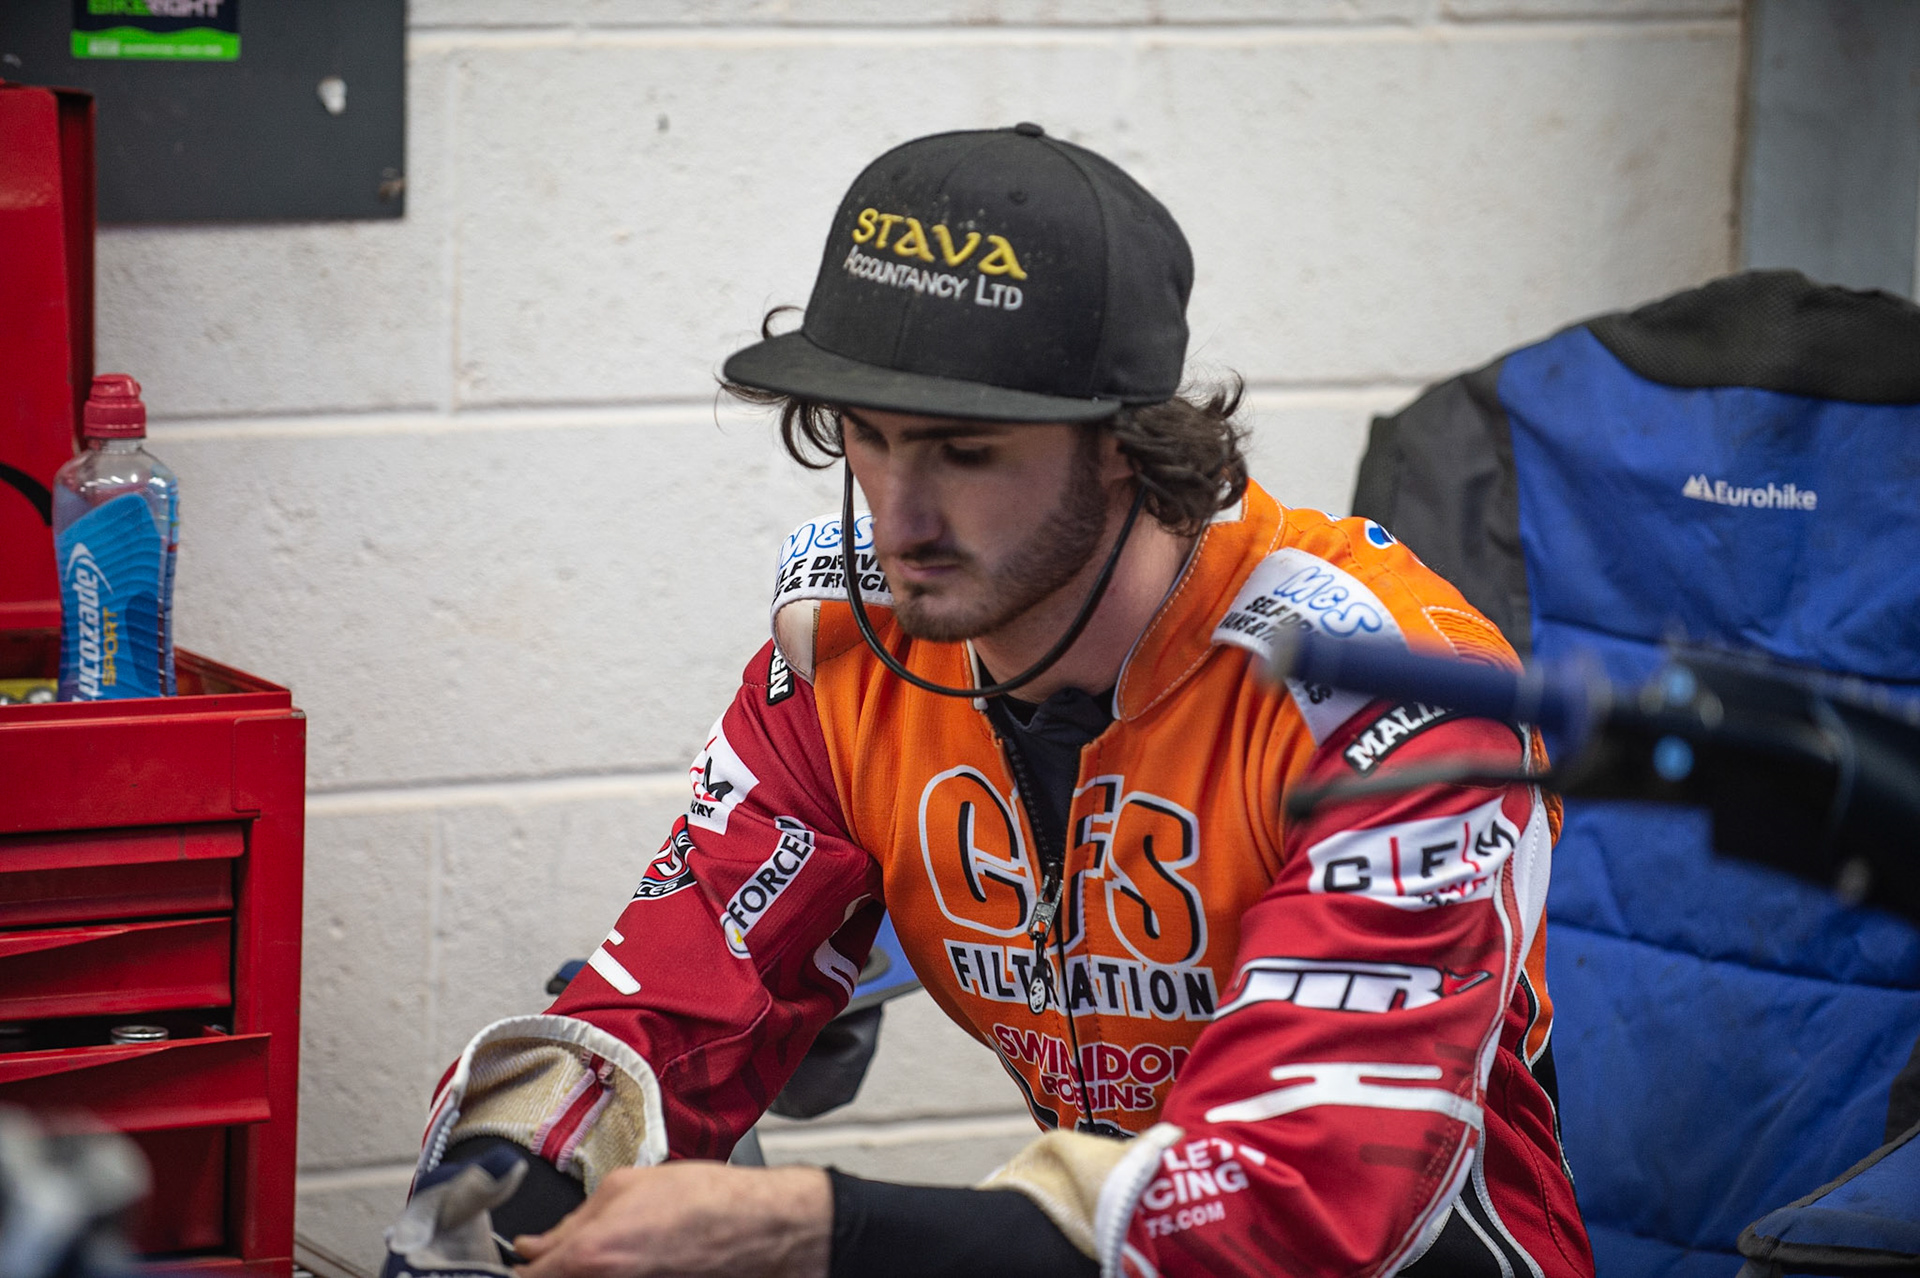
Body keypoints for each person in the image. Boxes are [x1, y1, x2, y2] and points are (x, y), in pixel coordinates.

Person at [383, 124, 1594, 1278]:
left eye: (965, 454)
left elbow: (1300, 1207)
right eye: (867, 437)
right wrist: (508, 1182)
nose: (901, 520)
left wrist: (817, 1229)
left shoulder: (1397, 703)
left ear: (1125, 442)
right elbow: (667, 1011)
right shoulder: (850, 659)